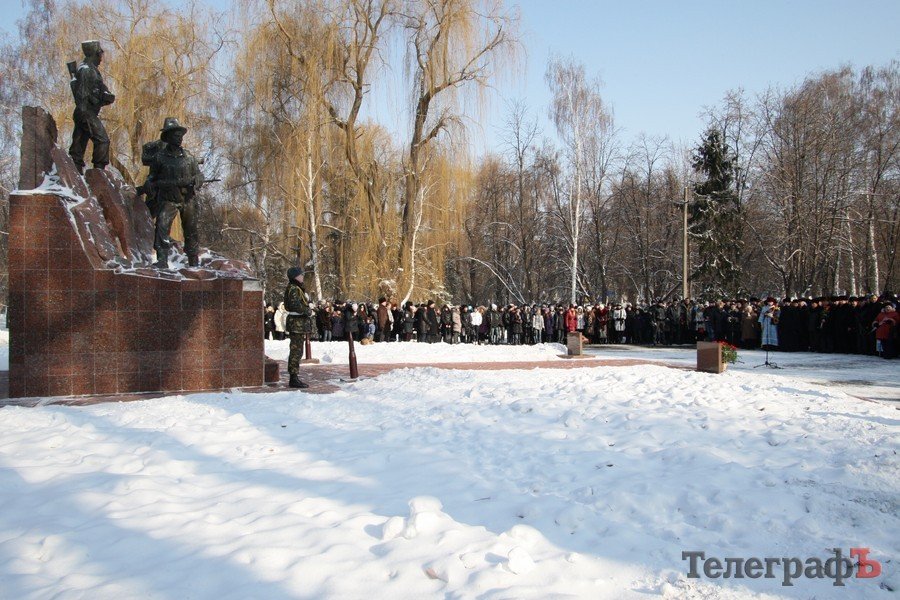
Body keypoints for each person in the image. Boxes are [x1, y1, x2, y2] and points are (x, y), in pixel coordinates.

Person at [141, 117, 204, 268]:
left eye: (180, 136)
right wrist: (149, 183)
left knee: (191, 229)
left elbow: (199, 174)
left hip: (187, 199)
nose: (179, 138)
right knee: (162, 225)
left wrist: (198, 180)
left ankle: (193, 260)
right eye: (176, 135)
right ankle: (162, 259)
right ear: (168, 137)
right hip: (169, 199)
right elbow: (152, 176)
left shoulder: (189, 157)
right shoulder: (159, 158)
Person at [68, 40, 115, 173]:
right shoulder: (86, 70)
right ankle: (98, 173)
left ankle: (75, 172)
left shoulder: (93, 71)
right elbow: (81, 95)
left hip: (87, 112)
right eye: (100, 53)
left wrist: (105, 97)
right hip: (85, 112)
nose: (101, 57)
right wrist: (86, 113)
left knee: (78, 148)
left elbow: (103, 93)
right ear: (95, 54)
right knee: (102, 140)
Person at [283, 267, 313, 388]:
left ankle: (294, 376)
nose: (302, 277)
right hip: (296, 324)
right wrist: (308, 310)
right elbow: (295, 305)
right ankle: (293, 378)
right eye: (300, 275)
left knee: (298, 351)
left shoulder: (296, 288)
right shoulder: (294, 288)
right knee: (296, 351)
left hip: (298, 324)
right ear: (295, 277)